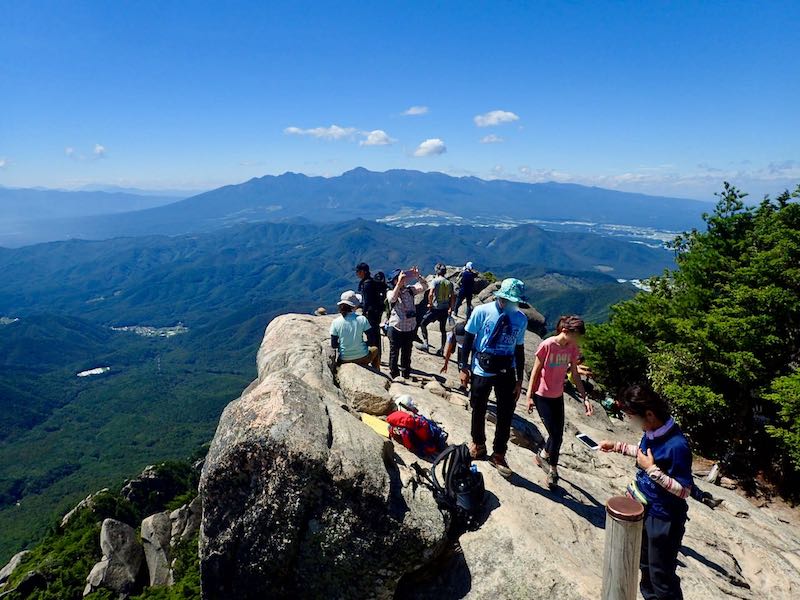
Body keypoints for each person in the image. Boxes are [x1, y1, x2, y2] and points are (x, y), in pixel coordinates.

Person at [599, 385, 692, 600]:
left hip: (664, 519)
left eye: (634, 418)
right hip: (646, 509)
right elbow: (643, 454)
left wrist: (651, 470)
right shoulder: (652, 432)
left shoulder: (677, 445)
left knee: (662, 575)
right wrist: (616, 446)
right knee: (645, 567)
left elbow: (684, 490)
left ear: (649, 414)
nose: (634, 423)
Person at [460, 278, 528, 478]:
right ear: (500, 297)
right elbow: (468, 339)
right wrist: (464, 366)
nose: (510, 304)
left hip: (507, 368)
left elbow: (519, 348)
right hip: (483, 367)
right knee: (478, 407)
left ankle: (499, 453)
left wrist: (519, 379)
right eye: (508, 300)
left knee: (506, 413)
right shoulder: (482, 312)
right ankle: (478, 444)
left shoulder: (520, 318)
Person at [526, 315, 593, 488]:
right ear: (565, 330)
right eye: (575, 335)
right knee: (556, 435)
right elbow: (536, 370)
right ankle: (553, 470)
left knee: (558, 434)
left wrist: (584, 397)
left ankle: (543, 454)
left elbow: (575, 375)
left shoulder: (572, 348)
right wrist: (529, 396)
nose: (577, 339)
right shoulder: (547, 345)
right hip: (542, 396)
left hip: (558, 396)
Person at [386, 267, 428, 381]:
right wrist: (398, 284)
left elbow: (424, 286)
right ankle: (394, 374)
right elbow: (392, 299)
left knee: (407, 352)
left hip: (409, 328)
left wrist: (417, 276)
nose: (404, 279)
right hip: (396, 328)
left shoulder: (410, 290)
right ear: (395, 280)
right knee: (394, 353)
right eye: (401, 277)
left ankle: (405, 373)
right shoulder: (391, 292)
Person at [330, 291, 379, 368]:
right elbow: (372, 340)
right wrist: (362, 344)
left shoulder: (335, 322)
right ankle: (376, 370)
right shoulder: (362, 319)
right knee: (375, 349)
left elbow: (334, 344)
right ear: (354, 306)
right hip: (363, 357)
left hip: (344, 359)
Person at [419, 263, 455, 355]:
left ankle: (426, 344)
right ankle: (442, 349)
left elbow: (431, 294)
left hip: (435, 308)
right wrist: (451, 308)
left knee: (423, 323)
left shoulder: (435, 281)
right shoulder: (449, 283)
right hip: (445, 309)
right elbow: (452, 297)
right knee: (443, 329)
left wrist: (430, 304)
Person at [356, 262, 387, 364]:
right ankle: (377, 358)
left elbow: (367, 301)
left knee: (371, 337)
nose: (357, 274)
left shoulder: (367, 284)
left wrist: (363, 313)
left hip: (371, 314)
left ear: (363, 272)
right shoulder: (371, 281)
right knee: (375, 335)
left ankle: (374, 358)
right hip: (376, 313)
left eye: (358, 271)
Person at [439, 320, 468, 393]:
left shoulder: (472, 334)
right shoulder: (453, 333)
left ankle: (466, 384)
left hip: (473, 345)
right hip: (461, 346)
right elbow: (448, 350)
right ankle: (463, 385)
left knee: (467, 368)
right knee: (460, 365)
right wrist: (445, 364)